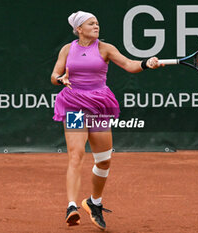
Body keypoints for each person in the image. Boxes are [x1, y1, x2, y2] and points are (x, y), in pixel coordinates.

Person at [51, 11, 163, 231]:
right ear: (79, 29)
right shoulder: (67, 49)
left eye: (97, 23)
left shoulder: (105, 48)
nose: (96, 26)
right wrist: (60, 78)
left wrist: (146, 63)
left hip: (99, 106)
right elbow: (54, 75)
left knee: (103, 160)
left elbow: (130, 65)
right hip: (74, 105)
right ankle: (71, 206)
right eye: (91, 24)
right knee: (76, 154)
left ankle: (94, 202)